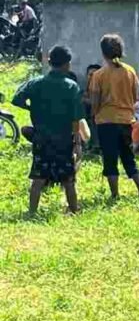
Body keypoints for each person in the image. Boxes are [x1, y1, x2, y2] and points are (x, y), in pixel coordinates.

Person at [11, 44, 84, 214]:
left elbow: (17, 99)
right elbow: (76, 118)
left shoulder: (36, 83)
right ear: (67, 64)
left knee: (38, 178)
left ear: (50, 62)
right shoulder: (71, 86)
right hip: (63, 140)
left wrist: (31, 108)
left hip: (41, 138)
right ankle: (74, 210)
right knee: (68, 179)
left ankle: (32, 212)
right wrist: (77, 141)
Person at [87, 34, 139, 199]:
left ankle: (115, 194)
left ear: (103, 52)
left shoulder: (99, 75)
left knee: (110, 159)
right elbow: (134, 97)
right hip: (126, 120)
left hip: (106, 121)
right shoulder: (130, 71)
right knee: (128, 157)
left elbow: (95, 101)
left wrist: (93, 115)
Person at [81, 64, 101, 150]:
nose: (93, 77)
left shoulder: (105, 91)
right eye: (90, 75)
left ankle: (96, 145)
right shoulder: (82, 91)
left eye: (96, 75)